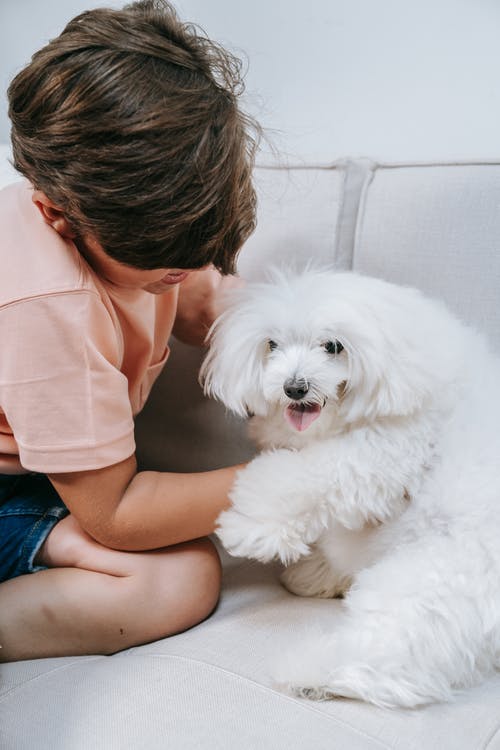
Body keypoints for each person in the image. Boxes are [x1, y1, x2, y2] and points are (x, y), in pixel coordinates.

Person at [0, 0, 260, 661]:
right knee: (181, 577)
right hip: (21, 492)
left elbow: (215, 310)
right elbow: (114, 514)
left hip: (40, 481)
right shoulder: (47, 302)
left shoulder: (153, 220)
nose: (186, 271)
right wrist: (301, 481)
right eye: (161, 267)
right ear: (58, 216)